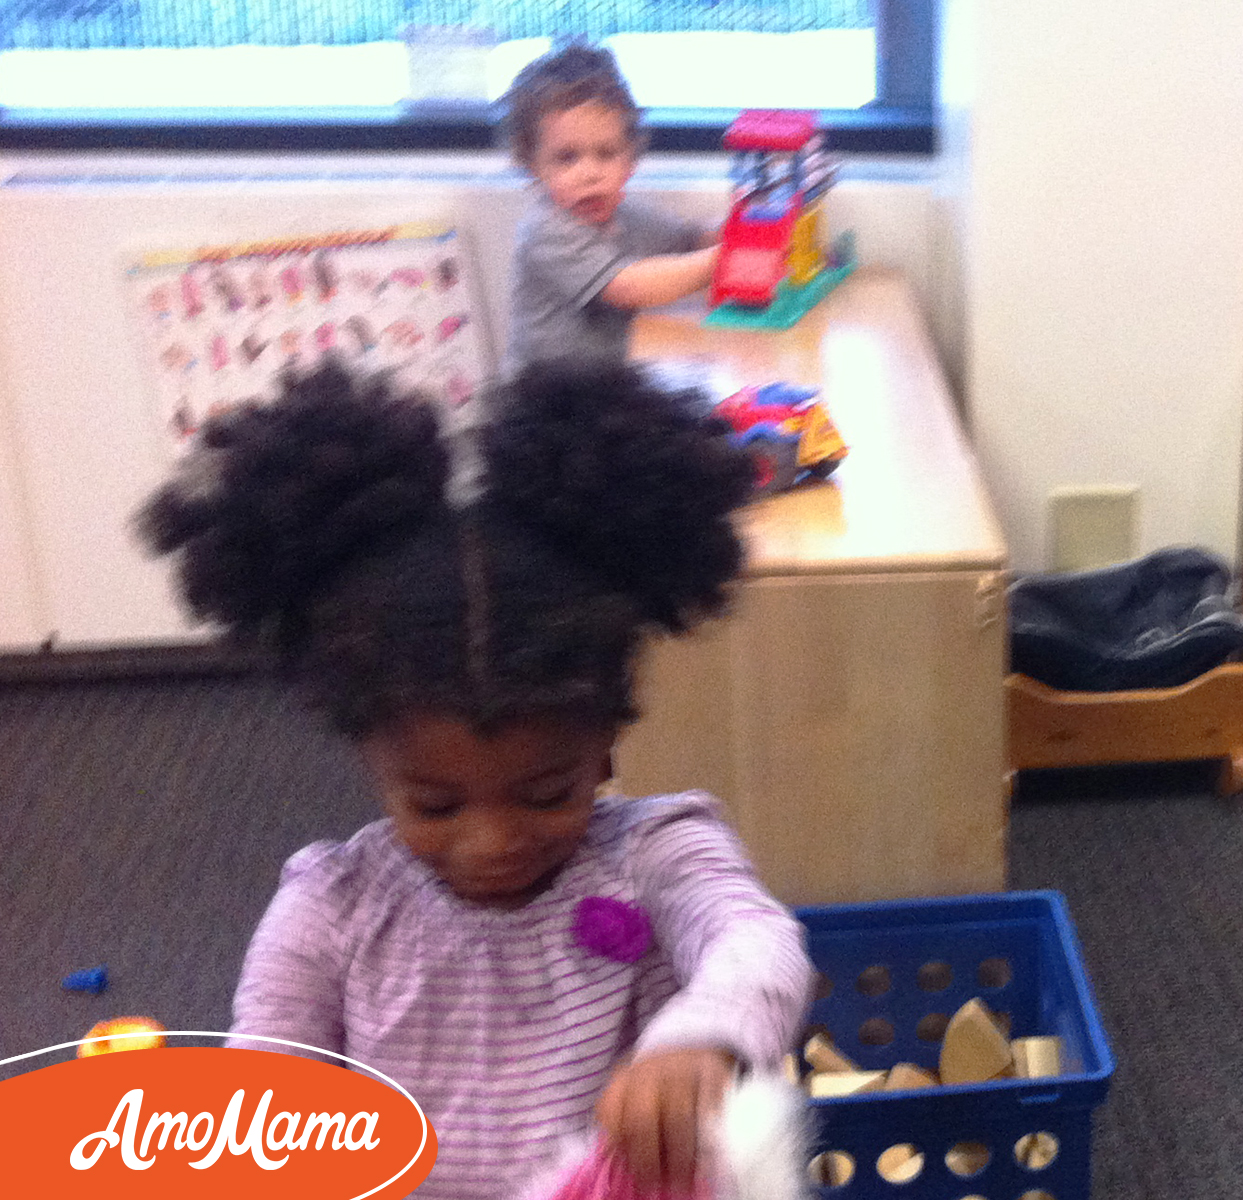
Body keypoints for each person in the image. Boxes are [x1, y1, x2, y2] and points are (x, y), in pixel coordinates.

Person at [140, 360, 801, 1200]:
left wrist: (698, 1039)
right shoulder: (332, 912)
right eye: (435, 804)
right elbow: (266, 1080)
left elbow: (758, 946)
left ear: (606, 744)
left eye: (547, 792)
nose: (493, 842)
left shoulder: (654, 854)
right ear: (369, 761)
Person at [501, 40, 719, 371]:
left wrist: (742, 234)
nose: (590, 174)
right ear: (534, 168)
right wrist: (723, 260)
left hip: (603, 384)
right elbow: (628, 286)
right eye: (566, 158)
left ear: (630, 160)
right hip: (547, 401)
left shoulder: (626, 216)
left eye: (606, 154)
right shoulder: (547, 231)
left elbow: (689, 238)